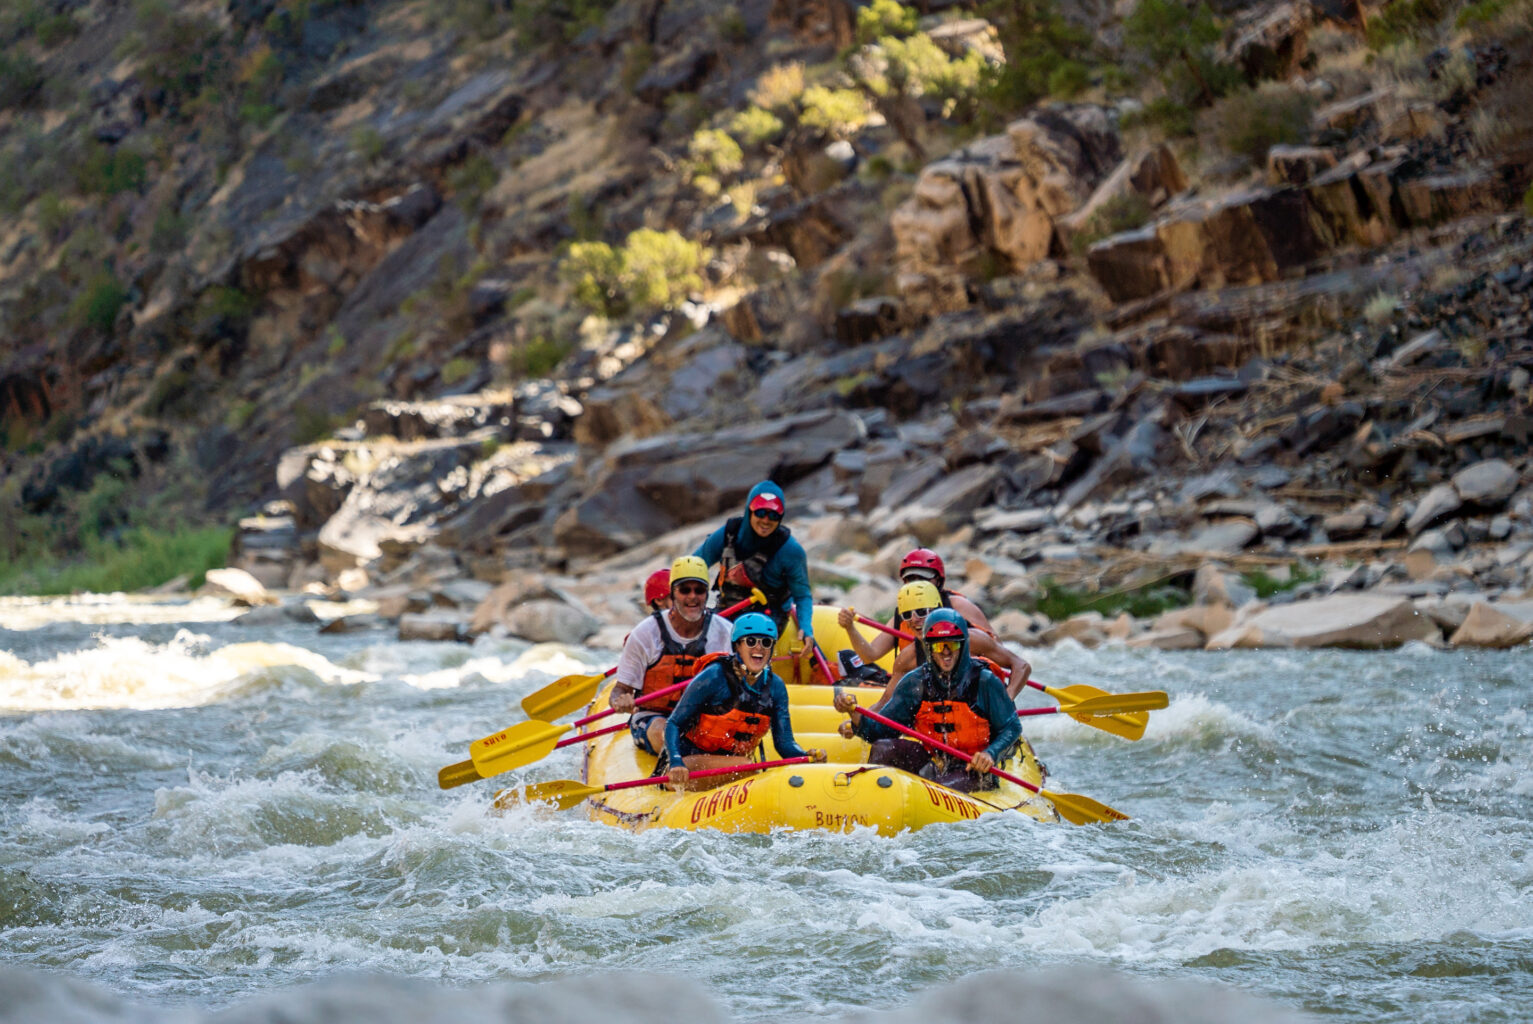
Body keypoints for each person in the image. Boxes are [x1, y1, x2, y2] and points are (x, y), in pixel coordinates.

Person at [833, 610, 1020, 793]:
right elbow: (880, 731)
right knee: (884, 748)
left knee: (942, 788)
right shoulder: (915, 682)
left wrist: (991, 753)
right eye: (939, 646)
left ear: (963, 646)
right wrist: (855, 715)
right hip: (935, 760)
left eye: (952, 645)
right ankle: (878, 799)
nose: (946, 653)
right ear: (928, 648)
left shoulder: (984, 681)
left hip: (975, 769)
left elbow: (1012, 727)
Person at [664, 613, 827, 790]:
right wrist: (675, 761)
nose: (759, 648)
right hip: (690, 765)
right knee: (745, 765)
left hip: (735, 767)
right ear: (738, 646)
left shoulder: (776, 687)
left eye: (766, 643)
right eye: (750, 641)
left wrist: (805, 757)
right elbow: (673, 723)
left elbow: (784, 744)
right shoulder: (713, 677)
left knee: (744, 766)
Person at [611, 556, 734, 759]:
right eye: (685, 590)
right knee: (666, 731)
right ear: (673, 594)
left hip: (703, 719)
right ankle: (685, 762)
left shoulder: (726, 632)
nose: (692, 597)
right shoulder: (645, 634)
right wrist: (619, 700)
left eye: (699, 590)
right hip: (654, 718)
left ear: (706, 594)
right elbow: (619, 690)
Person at [838, 580, 1032, 700]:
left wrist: (1008, 698)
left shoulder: (972, 638)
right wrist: (857, 718)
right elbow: (884, 703)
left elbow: (1021, 665)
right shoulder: (908, 658)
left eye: (922, 612)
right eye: (908, 614)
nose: (914, 619)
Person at [693, 480, 817, 656]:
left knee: (744, 647)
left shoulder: (790, 551)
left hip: (768, 616)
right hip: (727, 607)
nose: (766, 520)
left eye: (773, 515)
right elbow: (694, 565)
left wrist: (806, 628)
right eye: (760, 512)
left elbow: (803, 595)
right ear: (749, 511)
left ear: (780, 517)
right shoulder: (728, 535)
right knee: (697, 643)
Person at [897, 548, 995, 635]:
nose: (917, 584)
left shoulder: (958, 605)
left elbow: (994, 646)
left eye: (923, 579)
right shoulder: (903, 613)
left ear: (939, 581)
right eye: (911, 579)